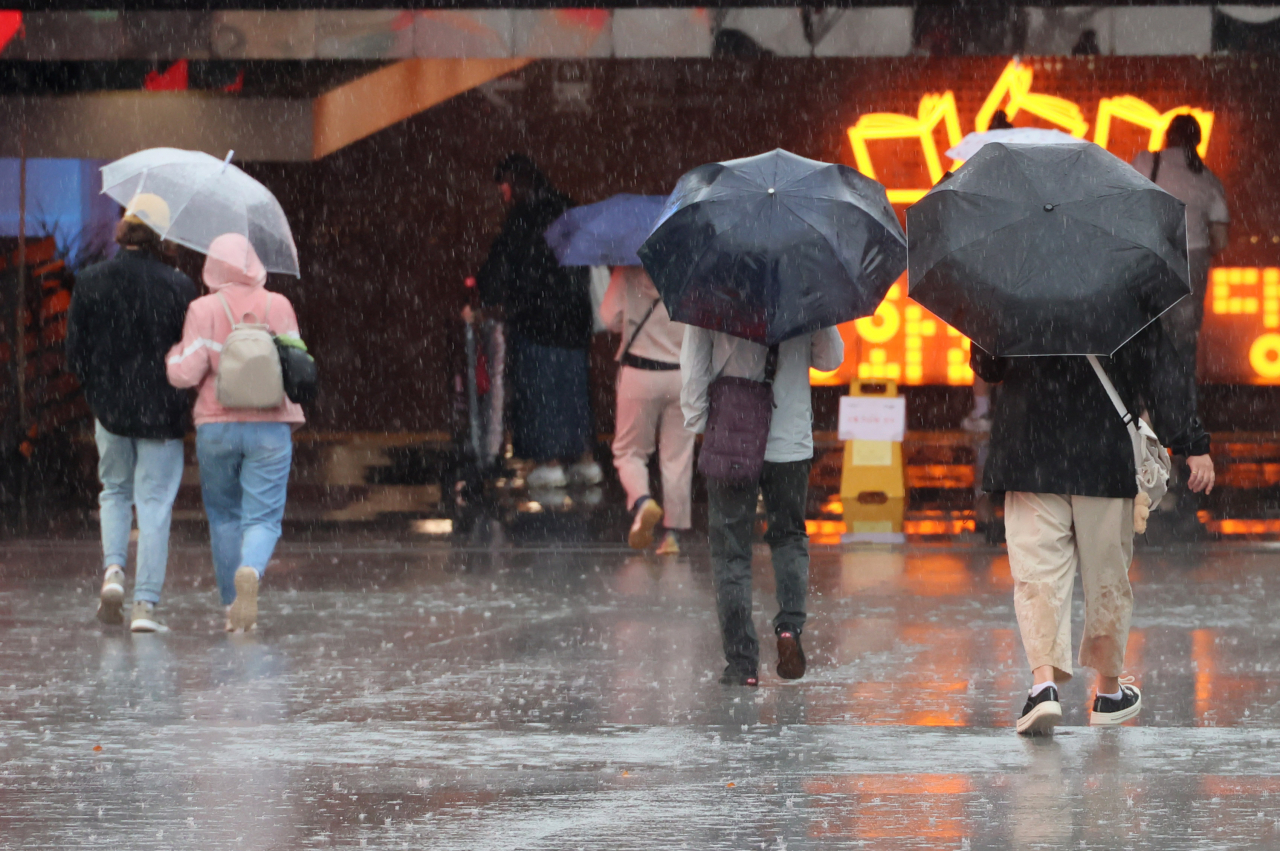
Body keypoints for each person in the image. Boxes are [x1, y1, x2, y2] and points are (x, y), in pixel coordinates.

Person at [971, 319, 1213, 736]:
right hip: (1101, 452)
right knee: (1107, 576)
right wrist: (1191, 445)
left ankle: (1043, 685)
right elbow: (1159, 369)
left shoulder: (1016, 281)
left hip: (1029, 451)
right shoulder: (1122, 281)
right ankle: (1107, 691)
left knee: (1037, 574)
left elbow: (988, 365)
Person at [682, 325, 844, 686]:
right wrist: (819, 319)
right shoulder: (805, 283)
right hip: (789, 436)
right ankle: (789, 628)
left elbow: (695, 363)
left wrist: (698, 423)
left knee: (730, 549)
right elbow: (831, 359)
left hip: (732, 432)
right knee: (788, 536)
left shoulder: (714, 281)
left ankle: (742, 663)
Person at [66, 194, 197, 632]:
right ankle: (144, 606)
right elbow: (187, 352)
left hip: (111, 411)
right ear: (161, 234)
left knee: (115, 491)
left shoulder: (90, 280)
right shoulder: (178, 285)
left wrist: (99, 391)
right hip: (162, 412)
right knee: (155, 505)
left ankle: (114, 573)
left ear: (124, 232)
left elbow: (75, 353)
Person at [166, 234, 306, 633]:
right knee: (262, 518)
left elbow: (185, 373)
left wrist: (173, 356)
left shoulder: (203, 308)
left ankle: (232, 606)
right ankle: (251, 569)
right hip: (270, 426)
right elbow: (298, 362)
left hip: (217, 425)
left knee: (224, 517)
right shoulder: (277, 304)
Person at [476, 154, 601, 490]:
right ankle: (584, 458)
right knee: (573, 391)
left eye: (504, 186)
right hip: (574, 321)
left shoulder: (524, 219)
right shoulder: (567, 209)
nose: (503, 194)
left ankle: (549, 462)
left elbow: (502, 267)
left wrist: (487, 293)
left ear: (515, 182)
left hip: (537, 320)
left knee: (540, 393)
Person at [1132, 115, 1230, 396]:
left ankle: (1143, 407)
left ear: (1167, 136)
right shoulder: (1209, 180)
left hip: (1153, 257)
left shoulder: (1145, 163)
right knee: (1183, 341)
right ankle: (1180, 408)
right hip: (1193, 259)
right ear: (1198, 141)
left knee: (1147, 334)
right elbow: (1220, 240)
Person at [600, 266, 692, 555]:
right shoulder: (688, 268)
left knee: (629, 452)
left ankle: (642, 503)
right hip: (681, 373)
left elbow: (609, 318)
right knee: (677, 457)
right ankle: (673, 534)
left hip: (639, 371)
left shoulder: (627, 270)